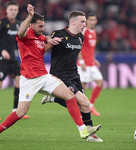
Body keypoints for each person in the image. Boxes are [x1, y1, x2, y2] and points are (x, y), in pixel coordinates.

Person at [0, 4, 101, 142]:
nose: (43, 29)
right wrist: (30, 15)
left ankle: (83, 130)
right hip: (29, 79)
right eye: (40, 26)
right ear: (31, 25)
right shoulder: (24, 36)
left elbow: (46, 42)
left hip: (44, 76)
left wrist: (50, 40)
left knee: (69, 95)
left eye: (43, 26)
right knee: (20, 112)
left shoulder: (40, 36)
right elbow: (20, 33)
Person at [41, 11, 103, 142]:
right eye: (82, 21)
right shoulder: (58, 34)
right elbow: (43, 49)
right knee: (85, 102)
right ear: (73, 22)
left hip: (74, 75)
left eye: (85, 22)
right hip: (60, 76)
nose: (84, 24)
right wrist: (48, 40)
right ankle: (90, 134)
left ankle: (54, 99)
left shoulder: (81, 37)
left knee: (84, 106)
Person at [0, 1, 29, 120]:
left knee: (20, 80)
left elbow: (17, 41)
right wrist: (3, 50)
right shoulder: (2, 22)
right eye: (11, 9)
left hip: (12, 57)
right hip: (0, 57)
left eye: (15, 10)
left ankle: (15, 110)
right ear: (7, 10)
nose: (13, 12)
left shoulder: (17, 25)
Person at [77, 13, 103, 116]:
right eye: (90, 20)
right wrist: (82, 61)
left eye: (94, 20)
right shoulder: (84, 31)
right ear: (87, 21)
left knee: (100, 83)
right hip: (84, 65)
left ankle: (91, 105)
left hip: (91, 64)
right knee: (83, 88)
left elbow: (90, 48)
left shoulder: (94, 32)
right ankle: (81, 108)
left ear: (96, 21)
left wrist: (94, 59)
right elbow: (79, 46)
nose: (92, 21)